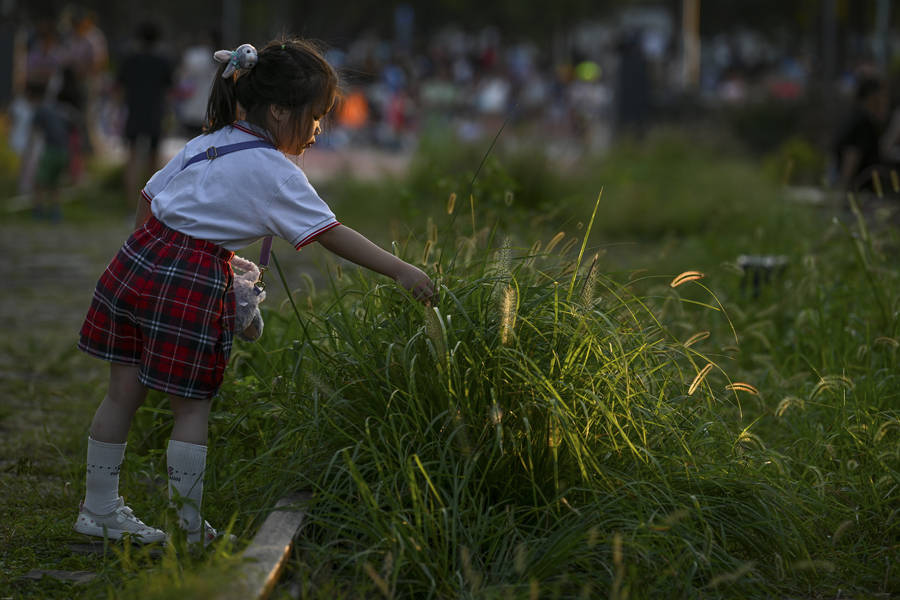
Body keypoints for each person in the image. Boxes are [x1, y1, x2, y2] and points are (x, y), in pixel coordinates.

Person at [74, 36, 435, 545]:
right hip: (190, 277)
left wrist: (152, 256)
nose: (318, 130)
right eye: (316, 116)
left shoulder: (208, 140)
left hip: (138, 258)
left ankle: (99, 508)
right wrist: (400, 270)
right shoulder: (275, 171)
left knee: (121, 392)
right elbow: (331, 233)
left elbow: (149, 196)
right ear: (281, 111)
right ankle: (187, 525)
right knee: (192, 406)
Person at [116, 20, 174, 199]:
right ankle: (152, 203)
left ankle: (130, 204)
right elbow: (169, 91)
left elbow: (120, 88)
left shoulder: (130, 60)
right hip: (155, 113)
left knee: (132, 159)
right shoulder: (163, 61)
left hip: (134, 111)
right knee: (154, 160)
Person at [832, 75, 891, 191]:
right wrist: (843, 189)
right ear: (872, 97)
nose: (886, 100)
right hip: (861, 193)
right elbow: (851, 155)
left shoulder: (856, 117)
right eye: (883, 96)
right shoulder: (863, 123)